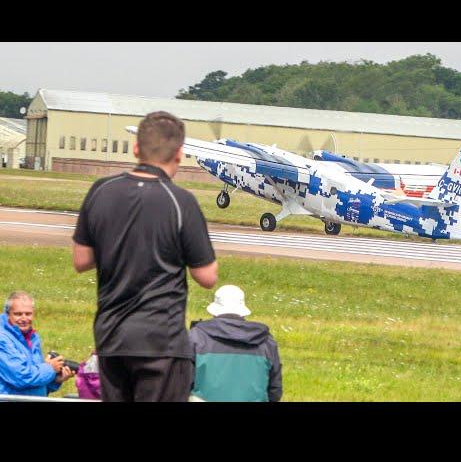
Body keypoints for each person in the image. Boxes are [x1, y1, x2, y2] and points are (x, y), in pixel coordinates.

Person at [72, 111, 219, 402]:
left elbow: (81, 260)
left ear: (136, 148)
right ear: (179, 153)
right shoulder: (181, 201)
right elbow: (207, 277)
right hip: (160, 339)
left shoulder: (101, 190)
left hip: (112, 337)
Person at [189, 285, 282, 402]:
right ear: (243, 312)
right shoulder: (267, 342)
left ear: (214, 312)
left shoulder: (196, 337)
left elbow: (181, 383)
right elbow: (275, 390)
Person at [0, 291, 75, 397]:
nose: (24, 318)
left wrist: (55, 380)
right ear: (8, 314)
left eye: (28, 314)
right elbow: (21, 378)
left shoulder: (32, 337)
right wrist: (50, 369)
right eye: (18, 314)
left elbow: (36, 380)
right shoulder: (3, 339)